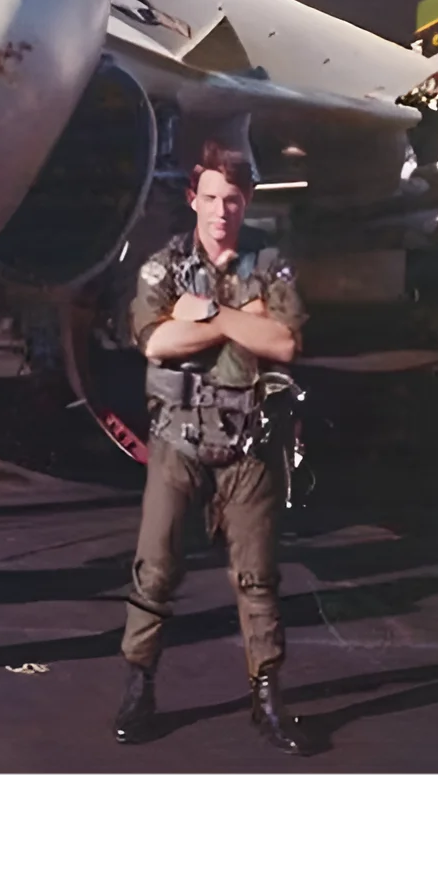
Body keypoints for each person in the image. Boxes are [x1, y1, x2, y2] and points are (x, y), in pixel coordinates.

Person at [114, 140, 313, 755]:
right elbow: (155, 342)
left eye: (232, 199)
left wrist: (214, 316)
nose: (221, 210)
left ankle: (266, 696)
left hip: (250, 440)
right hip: (180, 439)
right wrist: (240, 318)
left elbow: (284, 345)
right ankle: (138, 685)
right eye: (210, 198)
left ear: (246, 200)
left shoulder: (270, 264)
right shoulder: (164, 265)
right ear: (192, 198)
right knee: (156, 568)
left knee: (257, 578)